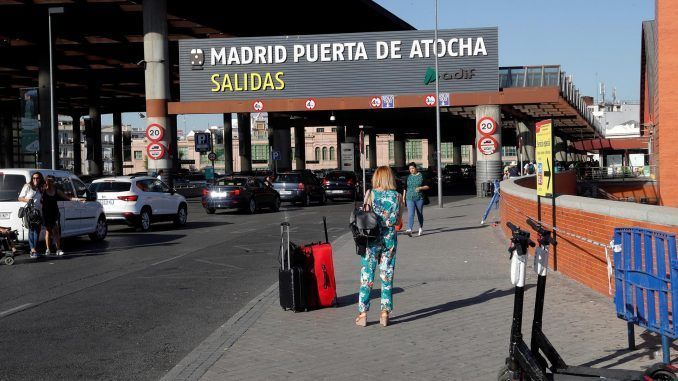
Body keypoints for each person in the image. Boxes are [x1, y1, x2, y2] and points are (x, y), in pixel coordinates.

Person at [356, 166, 402, 328]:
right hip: (389, 239)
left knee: (367, 275)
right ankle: (385, 313)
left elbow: (364, 216)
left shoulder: (371, 194)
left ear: (376, 177)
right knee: (387, 274)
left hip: (371, 239)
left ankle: (362, 314)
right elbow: (398, 222)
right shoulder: (397, 196)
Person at [41, 175, 75, 256]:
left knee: (56, 230)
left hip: (55, 212)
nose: (49, 182)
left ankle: (58, 249)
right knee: (48, 231)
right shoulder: (43, 190)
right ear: (45, 181)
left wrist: (77, 199)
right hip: (46, 213)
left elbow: (67, 198)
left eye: (51, 181)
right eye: (48, 181)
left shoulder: (56, 191)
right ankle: (48, 249)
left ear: (54, 182)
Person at [18, 172, 44, 258]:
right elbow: (20, 198)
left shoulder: (41, 188)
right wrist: (28, 200)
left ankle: (34, 249)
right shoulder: (27, 186)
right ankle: (33, 250)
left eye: (37, 178)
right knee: (32, 230)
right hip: (29, 212)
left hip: (38, 212)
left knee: (37, 231)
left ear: (40, 179)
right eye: (34, 178)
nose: (35, 180)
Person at [403, 162, 429, 237]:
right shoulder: (408, 177)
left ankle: (420, 228)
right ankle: (409, 229)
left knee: (419, 214)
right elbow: (405, 188)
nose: (411, 170)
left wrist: (421, 188)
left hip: (419, 198)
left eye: (412, 168)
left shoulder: (422, 176)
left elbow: (427, 186)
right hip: (409, 198)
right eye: (410, 169)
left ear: (416, 168)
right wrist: (403, 198)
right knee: (411, 214)